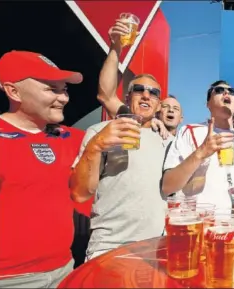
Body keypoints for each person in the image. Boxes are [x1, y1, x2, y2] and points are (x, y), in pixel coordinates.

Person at [70, 19, 169, 260]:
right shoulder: (104, 130)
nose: (146, 94)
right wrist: (116, 45)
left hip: (156, 248)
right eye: (139, 90)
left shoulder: (167, 140)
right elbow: (80, 193)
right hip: (110, 247)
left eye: (154, 93)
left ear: (158, 104)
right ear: (127, 97)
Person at [0, 50, 85, 288]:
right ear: (13, 91)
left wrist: (148, 124)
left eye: (64, 89)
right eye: (51, 89)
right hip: (8, 279)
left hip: (65, 269)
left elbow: (108, 134)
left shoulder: (71, 137)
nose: (64, 98)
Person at [162, 80, 234, 208]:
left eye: (232, 92)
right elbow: (168, 186)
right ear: (208, 104)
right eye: (219, 90)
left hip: (230, 225)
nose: (226, 92)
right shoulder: (190, 131)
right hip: (198, 223)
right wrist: (201, 152)